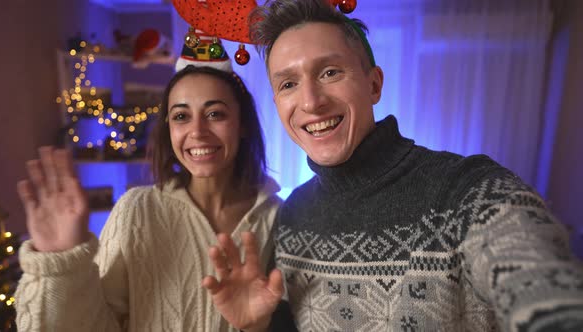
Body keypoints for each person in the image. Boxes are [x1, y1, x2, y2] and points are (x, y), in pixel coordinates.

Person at [201, 0, 583, 331]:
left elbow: (539, 283)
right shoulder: (294, 214)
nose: (311, 101)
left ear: (374, 84)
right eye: (288, 84)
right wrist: (258, 325)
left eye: (330, 72)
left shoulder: (468, 191)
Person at [14, 64, 282, 331]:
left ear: (243, 124)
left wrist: (256, 327)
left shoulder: (280, 218)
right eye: (181, 116)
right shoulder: (137, 210)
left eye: (215, 114)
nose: (197, 131)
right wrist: (60, 266)